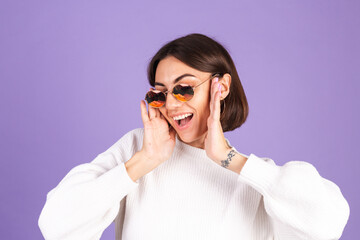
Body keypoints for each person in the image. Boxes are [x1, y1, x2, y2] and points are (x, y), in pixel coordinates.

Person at [38, 33, 350, 240]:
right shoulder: (138, 150)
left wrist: (230, 159)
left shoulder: (257, 179)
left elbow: (329, 221)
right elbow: (55, 225)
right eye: (160, 94)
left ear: (221, 87)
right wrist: (145, 160)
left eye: (184, 89)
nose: (172, 104)